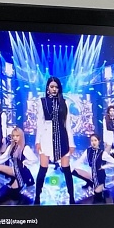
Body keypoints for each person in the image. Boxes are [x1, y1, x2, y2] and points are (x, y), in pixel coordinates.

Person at [34, 76, 76, 205]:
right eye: (52, 87)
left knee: (66, 169)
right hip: (46, 137)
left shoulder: (64, 102)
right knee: (43, 168)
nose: (54, 89)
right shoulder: (42, 102)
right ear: (47, 88)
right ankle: (37, 197)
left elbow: (67, 124)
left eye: (56, 87)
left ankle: (72, 198)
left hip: (62, 137)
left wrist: (71, 143)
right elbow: (40, 123)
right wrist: (37, 141)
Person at [0, 127, 36, 204]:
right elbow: (4, 157)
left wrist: (26, 162)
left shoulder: (25, 148)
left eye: (17, 136)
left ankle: (22, 182)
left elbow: (34, 160)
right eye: (13, 136)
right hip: (15, 171)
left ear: (21, 136)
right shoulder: (11, 147)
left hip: (23, 173)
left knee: (12, 193)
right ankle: (13, 179)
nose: (15, 138)